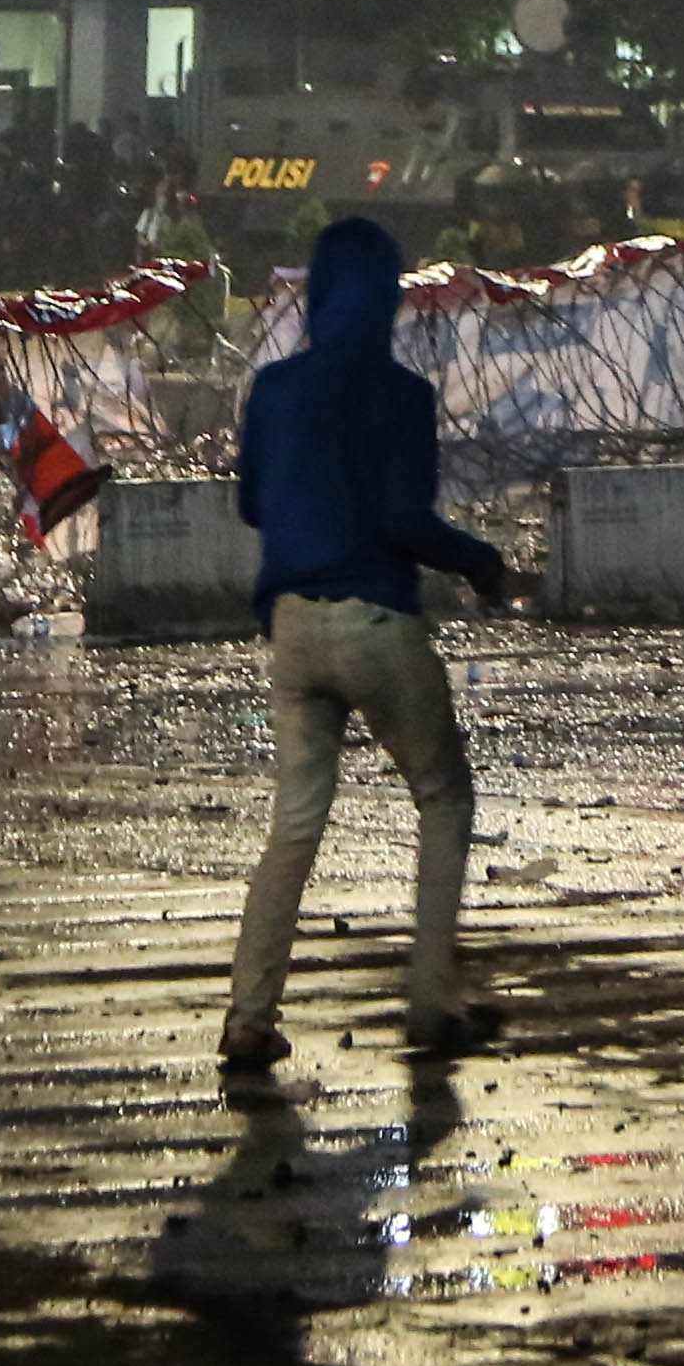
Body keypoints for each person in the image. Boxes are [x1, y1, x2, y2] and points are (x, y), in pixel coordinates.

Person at [219, 216, 534, 1071]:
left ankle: (249, 1015)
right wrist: (483, 563)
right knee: (442, 794)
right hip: (374, 619)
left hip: (291, 627)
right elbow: (403, 519)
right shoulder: (399, 394)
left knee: (294, 823)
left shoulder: (275, 389)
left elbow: (253, 506)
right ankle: (431, 999)